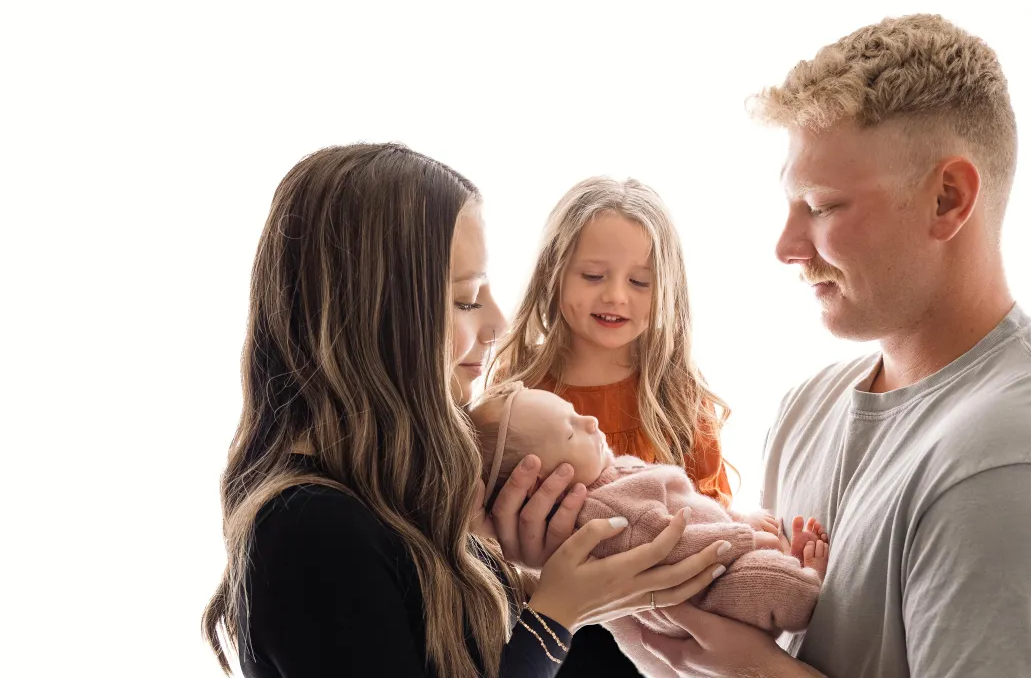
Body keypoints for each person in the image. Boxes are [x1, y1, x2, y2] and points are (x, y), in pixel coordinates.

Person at [635, 14, 1031, 677]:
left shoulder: (1023, 462)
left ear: (948, 199)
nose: (786, 247)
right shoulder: (809, 409)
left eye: (823, 207)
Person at [200, 143, 728, 678]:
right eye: (465, 299)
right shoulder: (312, 529)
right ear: (375, 318)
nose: (499, 323)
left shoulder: (400, 497)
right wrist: (556, 616)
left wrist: (526, 568)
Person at [491, 176, 777, 674]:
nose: (616, 296)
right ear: (553, 275)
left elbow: (709, 516)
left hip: (663, 631)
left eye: (639, 282)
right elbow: (485, 534)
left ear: (665, 291)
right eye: (593, 275)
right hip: (557, 630)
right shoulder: (520, 392)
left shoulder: (678, 397)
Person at [470, 381, 828, 676]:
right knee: (774, 584)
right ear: (541, 483)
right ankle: (806, 581)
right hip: (705, 594)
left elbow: (689, 506)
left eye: (576, 413)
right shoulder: (601, 511)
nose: (591, 422)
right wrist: (742, 537)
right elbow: (672, 543)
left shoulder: (613, 472)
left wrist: (737, 518)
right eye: (570, 433)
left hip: (704, 578)